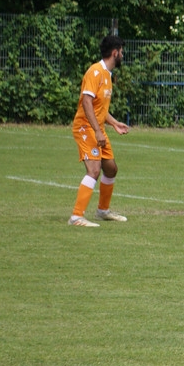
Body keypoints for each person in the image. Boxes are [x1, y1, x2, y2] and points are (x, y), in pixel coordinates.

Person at [69, 35, 130, 227]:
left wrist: (114, 123)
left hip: (97, 127)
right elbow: (86, 102)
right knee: (94, 170)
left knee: (111, 169)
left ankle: (102, 211)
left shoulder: (107, 75)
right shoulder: (95, 72)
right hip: (85, 127)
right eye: (121, 52)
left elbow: (99, 108)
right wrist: (97, 131)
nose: (123, 55)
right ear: (115, 52)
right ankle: (76, 217)